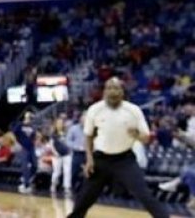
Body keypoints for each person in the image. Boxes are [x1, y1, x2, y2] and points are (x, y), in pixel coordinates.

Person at [67, 77, 168, 218]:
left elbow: (146, 138)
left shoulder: (133, 110)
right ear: (104, 91)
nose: (112, 91)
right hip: (101, 160)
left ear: (122, 92)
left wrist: (137, 135)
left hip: (124, 160)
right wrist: (89, 160)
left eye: (116, 88)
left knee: (143, 194)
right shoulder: (95, 109)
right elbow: (88, 136)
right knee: (84, 198)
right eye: (109, 88)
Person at [13, 111, 37, 194]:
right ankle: (26, 184)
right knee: (25, 166)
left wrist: (34, 142)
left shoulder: (32, 126)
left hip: (31, 147)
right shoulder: (20, 125)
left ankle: (26, 178)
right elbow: (13, 134)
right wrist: (17, 143)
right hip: (23, 147)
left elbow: (34, 136)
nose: (30, 119)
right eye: (28, 117)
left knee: (35, 165)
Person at [50, 116, 74, 196]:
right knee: (57, 172)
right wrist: (55, 152)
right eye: (58, 123)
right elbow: (51, 145)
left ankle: (67, 188)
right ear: (56, 124)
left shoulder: (66, 132)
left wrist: (70, 150)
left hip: (67, 154)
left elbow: (69, 142)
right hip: (57, 155)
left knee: (67, 171)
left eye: (61, 123)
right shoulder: (53, 134)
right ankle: (53, 185)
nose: (60, 124)